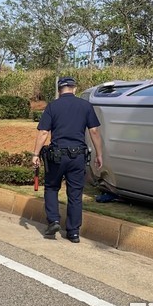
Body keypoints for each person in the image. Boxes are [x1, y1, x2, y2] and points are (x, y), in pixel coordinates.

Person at [31, 77, 103, 243]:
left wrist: (35, 154)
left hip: (56, 156)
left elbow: (43, 133)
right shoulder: (85, 106)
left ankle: (54, 221)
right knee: (75, 194)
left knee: (51, 187)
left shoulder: (52, 106)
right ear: (74, 89)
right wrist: (99, 154)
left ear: (59, 90)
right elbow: (94, 131)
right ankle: (73, 232)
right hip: (78, 156)